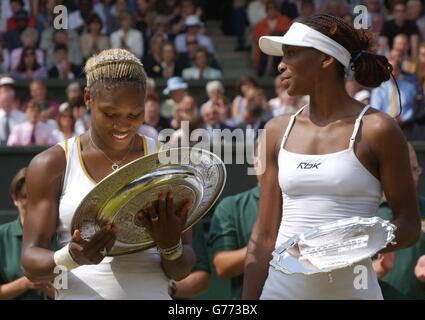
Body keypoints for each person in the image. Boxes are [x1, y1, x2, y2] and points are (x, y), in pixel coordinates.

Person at [243, 14, 421, 300]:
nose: (280, 64)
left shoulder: (378, 129)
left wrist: (342, 246)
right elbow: (263, 237)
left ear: (325, 59)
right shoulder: (275, 131)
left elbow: (409, 226)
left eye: (291, 54)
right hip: (279, 292)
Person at [21, 48, 195, 300]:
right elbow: (30, 262)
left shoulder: (168, 160)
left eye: (134, 114)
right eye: (110, 114)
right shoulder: (52, 163)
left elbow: (181, 270)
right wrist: (71, 256)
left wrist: (171, 246)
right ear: (88, 98)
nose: (123, 124)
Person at [208, 139, 262, 300]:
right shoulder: (232, 206)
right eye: (267, 158)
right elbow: (222, 266)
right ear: (255, 163)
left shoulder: (306, 205)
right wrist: (273, 245)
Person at [374, 143, 425, 300]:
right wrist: (380, 268)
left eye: (415, 170)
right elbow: (346, 277)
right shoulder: (367, 213)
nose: (412, 177)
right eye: (403, 170)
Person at [0, 168, 55, 300]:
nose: (31, 203)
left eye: (36, 197)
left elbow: (73, 292)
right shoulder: (2, 236)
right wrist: (26, 282)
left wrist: (46, 287)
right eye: (25, 196)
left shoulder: (60, 235)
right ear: (15, 198)